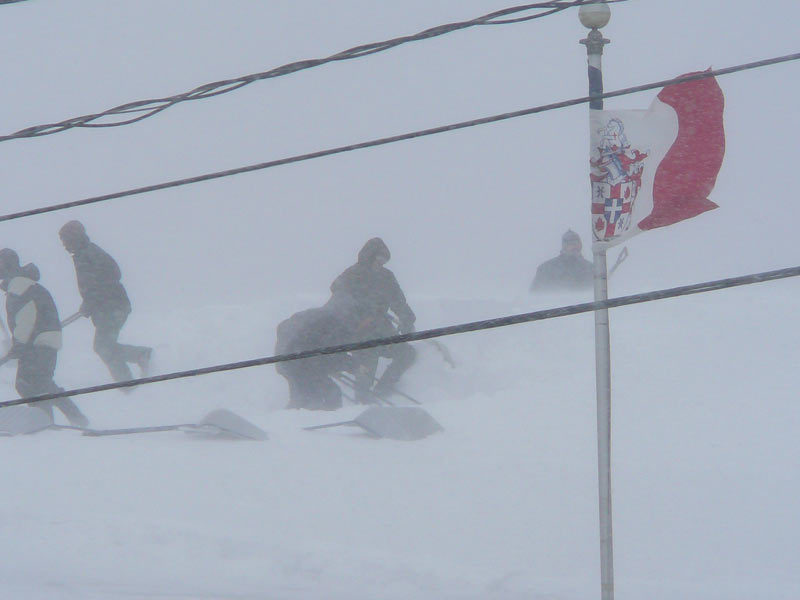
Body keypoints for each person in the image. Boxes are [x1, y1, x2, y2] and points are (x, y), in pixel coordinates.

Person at [0, 248, 89, 427]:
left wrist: (18, 345)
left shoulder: (18, 285)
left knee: (28, 383)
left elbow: (25, 318)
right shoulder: (23, 283)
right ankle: (67, 418)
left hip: (37, 342)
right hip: (44, 340)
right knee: (41, 383)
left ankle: (45, 420)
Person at [59, 220, 152, 384]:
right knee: (104, 346)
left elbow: (112, 275)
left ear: (75, 238)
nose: (65, 246)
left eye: (66, 241)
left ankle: (135, 367)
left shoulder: (90, 253)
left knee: (103, 346)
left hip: (113, 306)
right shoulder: (85, 254)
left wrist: (94, 299)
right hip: (108, 307)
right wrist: (90, 302)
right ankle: (130, 376)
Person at [330, 237, 416, 401]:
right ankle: (362, 402)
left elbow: (398, 301)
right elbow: (337, 294)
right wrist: (359, 315)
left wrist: (407, 319)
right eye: (378, 258)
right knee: (366, 366)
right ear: (369, 256)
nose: (381, 263)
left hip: (382, 331)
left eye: (384, 260)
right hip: (360, 334)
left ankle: (382, 391)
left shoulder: (387, 276)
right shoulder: (352, 274)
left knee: (406, 354)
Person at [275, 295, 359, 410]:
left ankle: (294, 418)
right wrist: (354, 366)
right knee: (325, 395)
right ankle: (319, 417)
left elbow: (327, 353)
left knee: (303, 397)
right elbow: (329, 355)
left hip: (287, 359)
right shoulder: (331, 325)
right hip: (301, 363)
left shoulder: (318, 318)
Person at [530, 229, 594, 293]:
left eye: (577, 244)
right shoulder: (546, 269)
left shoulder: (591, 269)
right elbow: (534, 295)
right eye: (571, 244)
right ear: (564, 247)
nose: (575, 247)